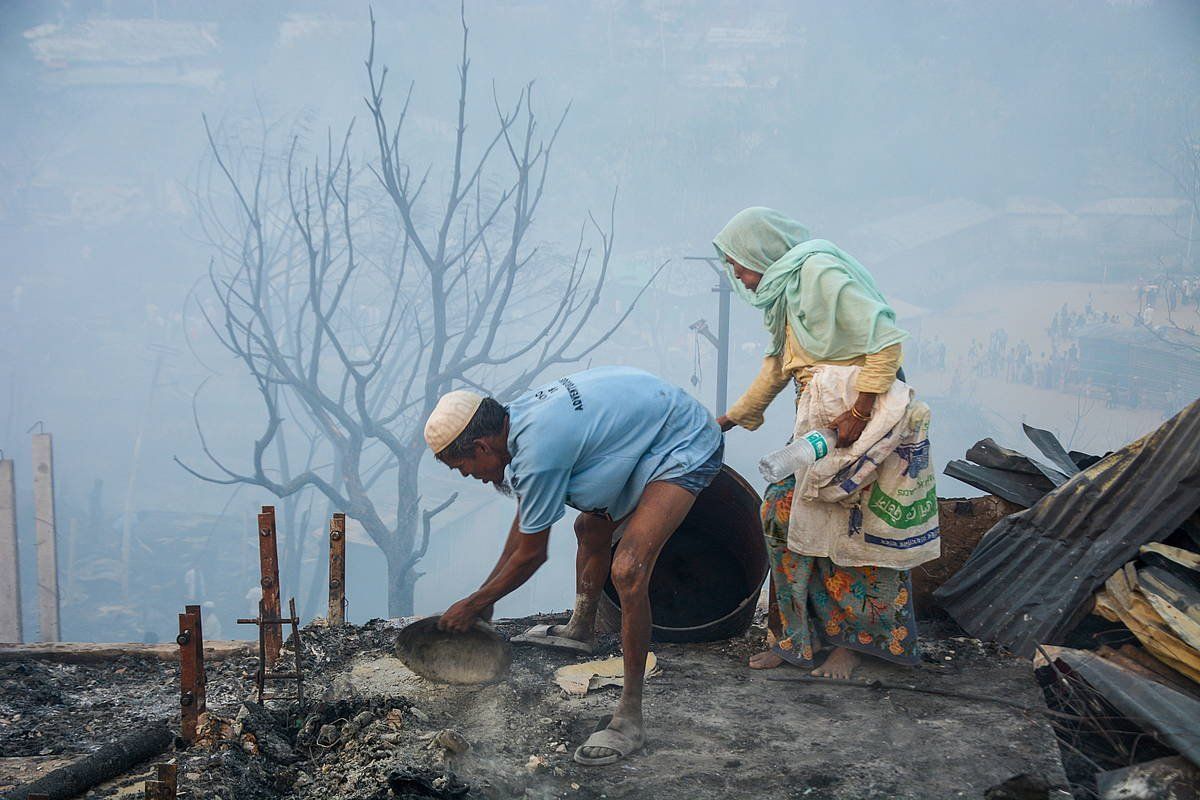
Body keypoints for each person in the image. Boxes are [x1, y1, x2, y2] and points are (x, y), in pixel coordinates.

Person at [427, 366, 723, 766]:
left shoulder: (538, 451)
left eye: (461, 465)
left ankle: (629, 717)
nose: (468, 475)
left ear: (480, 446)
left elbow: (532, 554)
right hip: (647, 432)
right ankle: (580, 628)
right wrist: (485, 598)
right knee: (590, 528)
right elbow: (525, 523)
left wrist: (475, 601)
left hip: (684, 440)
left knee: (628, 570)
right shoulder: (514, 422)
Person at [711, 206, 921, 680]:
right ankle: (796, 639)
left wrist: (860, 410)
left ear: (759, 251)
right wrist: (729, 419)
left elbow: (885, 341)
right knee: (782, 516)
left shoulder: (820, 271)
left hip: (861, 414)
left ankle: (855, 643)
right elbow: (778, 365)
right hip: (821, 417)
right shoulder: (787, 290)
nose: (738, 277)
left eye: (738, 263)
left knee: (851, 526)